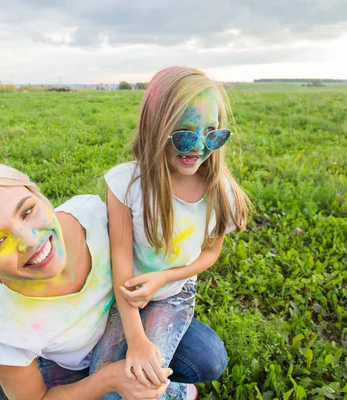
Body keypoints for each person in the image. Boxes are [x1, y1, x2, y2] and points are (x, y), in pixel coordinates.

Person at [0, 156, 172, 400]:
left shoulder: (92, 214)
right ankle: (13, 381)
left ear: (35, 192)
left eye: (26, 212)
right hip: (69, 367)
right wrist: (108, 380)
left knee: (206, 357)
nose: (30, 241)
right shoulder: (2, 330)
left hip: (126, 325)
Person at [92, 66, 250, 399]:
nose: (199, 147)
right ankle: (179, 391)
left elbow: (210, 252)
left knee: (146, 382)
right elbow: (120, 255)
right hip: (123, 294)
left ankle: (175, 391)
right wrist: (136, 340)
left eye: (212, 132)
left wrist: (164, 278)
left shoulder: (222, 193)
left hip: (173, 297)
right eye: (184, 134)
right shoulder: (127, 184)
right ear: (156, 129)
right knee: (103, 379)